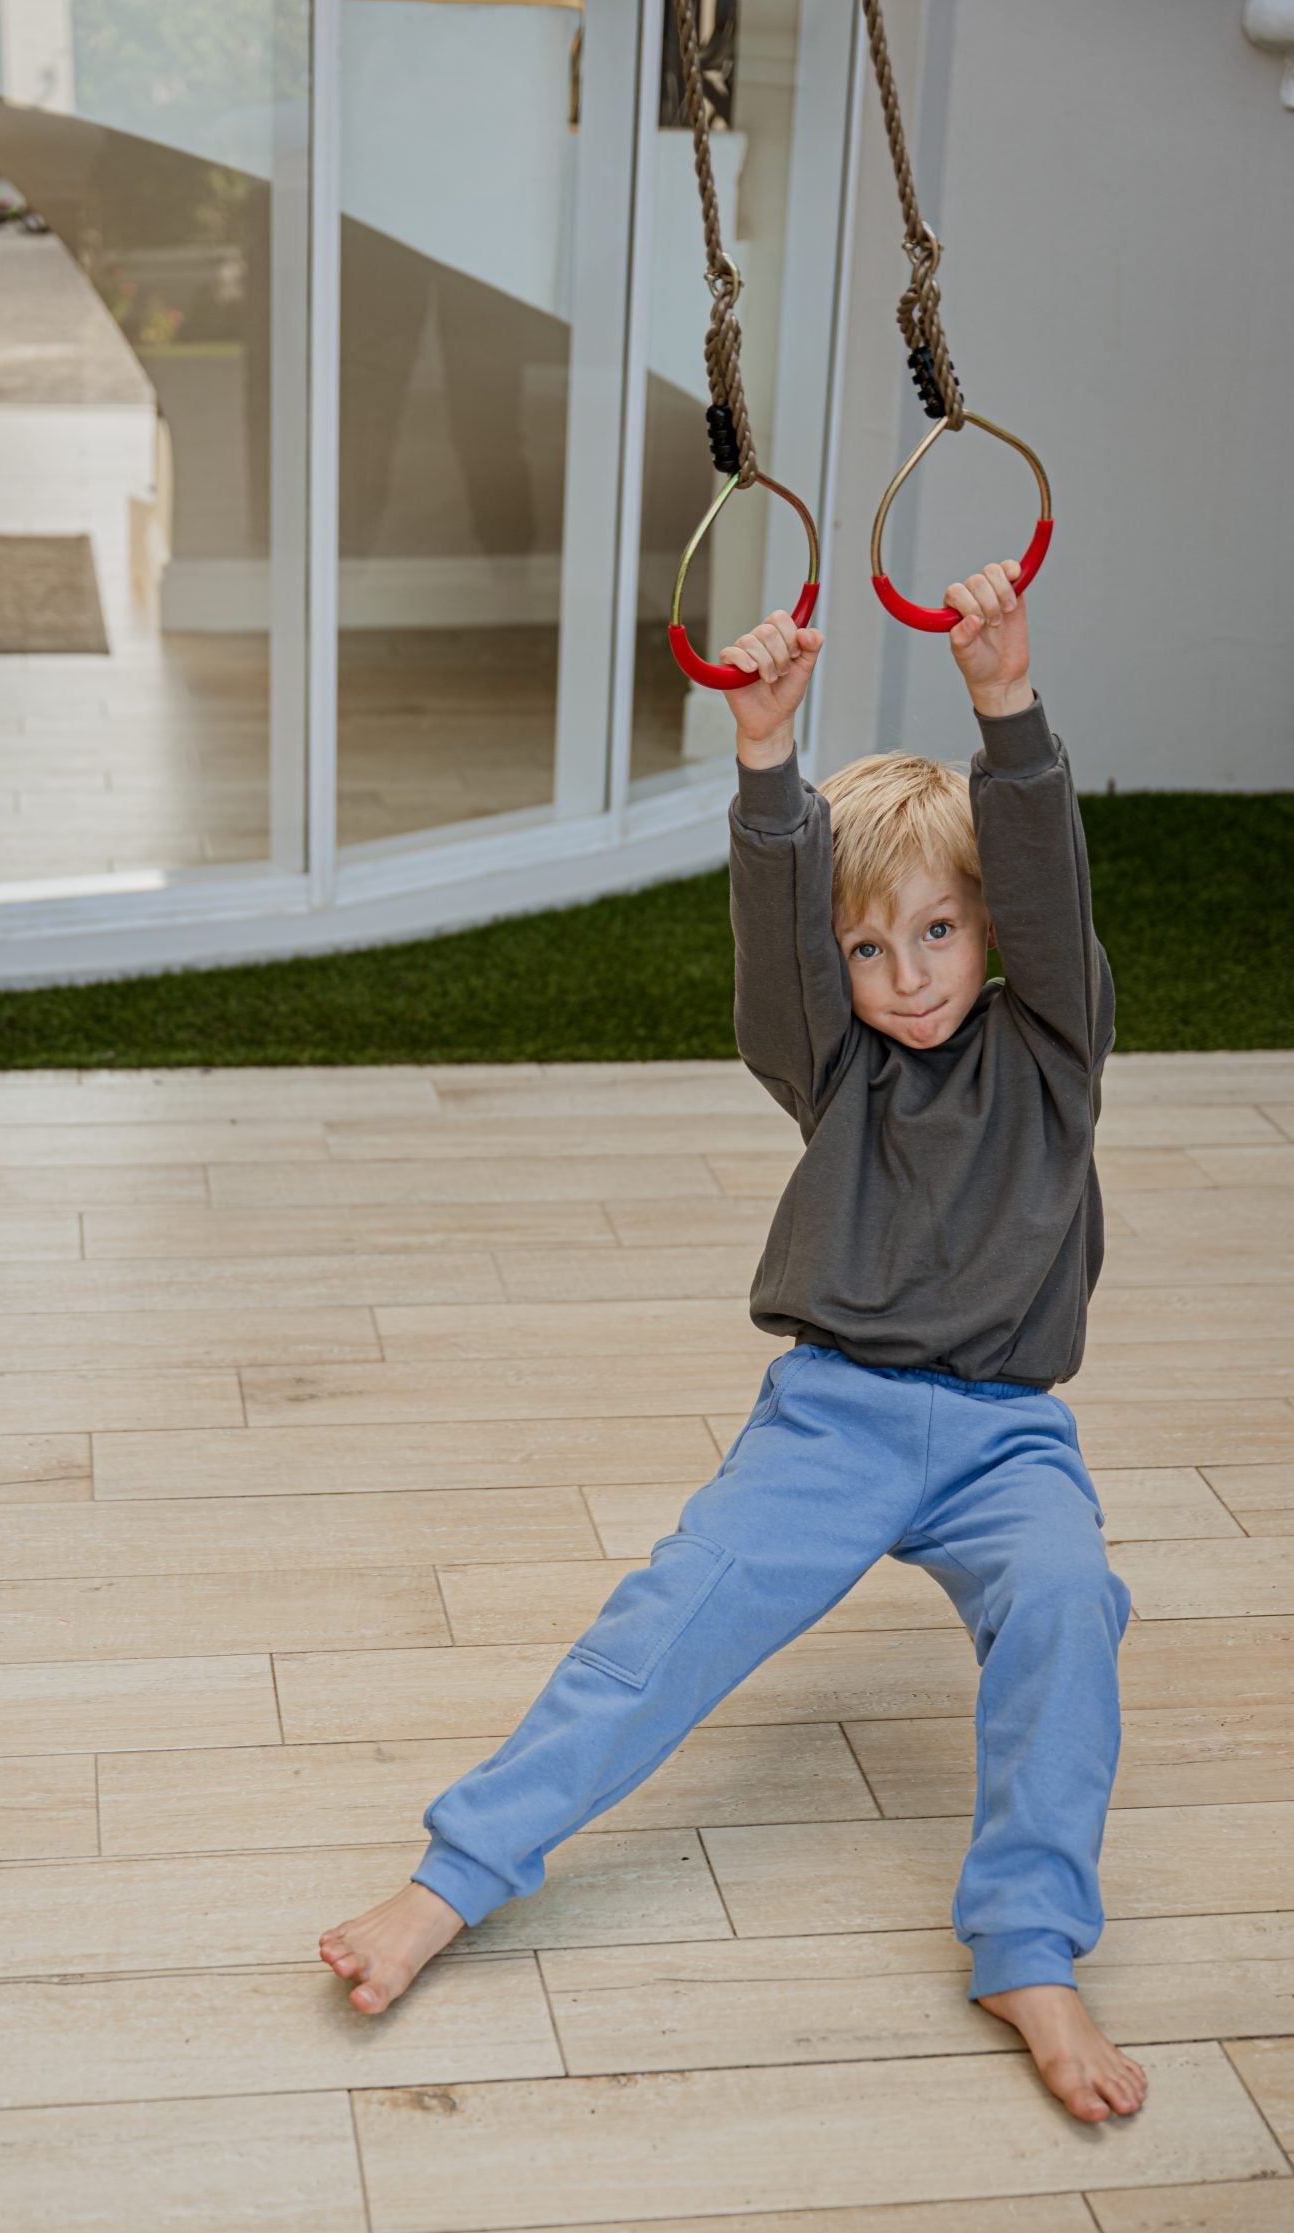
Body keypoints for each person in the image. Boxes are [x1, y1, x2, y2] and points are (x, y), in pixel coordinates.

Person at [320, 560, 1145, 2125]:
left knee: (1067, 1604)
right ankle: (454, 1880)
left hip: (1004, 1435)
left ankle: (1031, 1947)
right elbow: (780, 936)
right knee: (667, 1621)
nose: (906, 978)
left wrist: (1002, 699)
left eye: (940, 933)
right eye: (869, 950)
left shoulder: (1057, 1051)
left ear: (994, 936)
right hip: (831, 1417)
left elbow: (1046, 876)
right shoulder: (833, 1069)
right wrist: (765, 756)